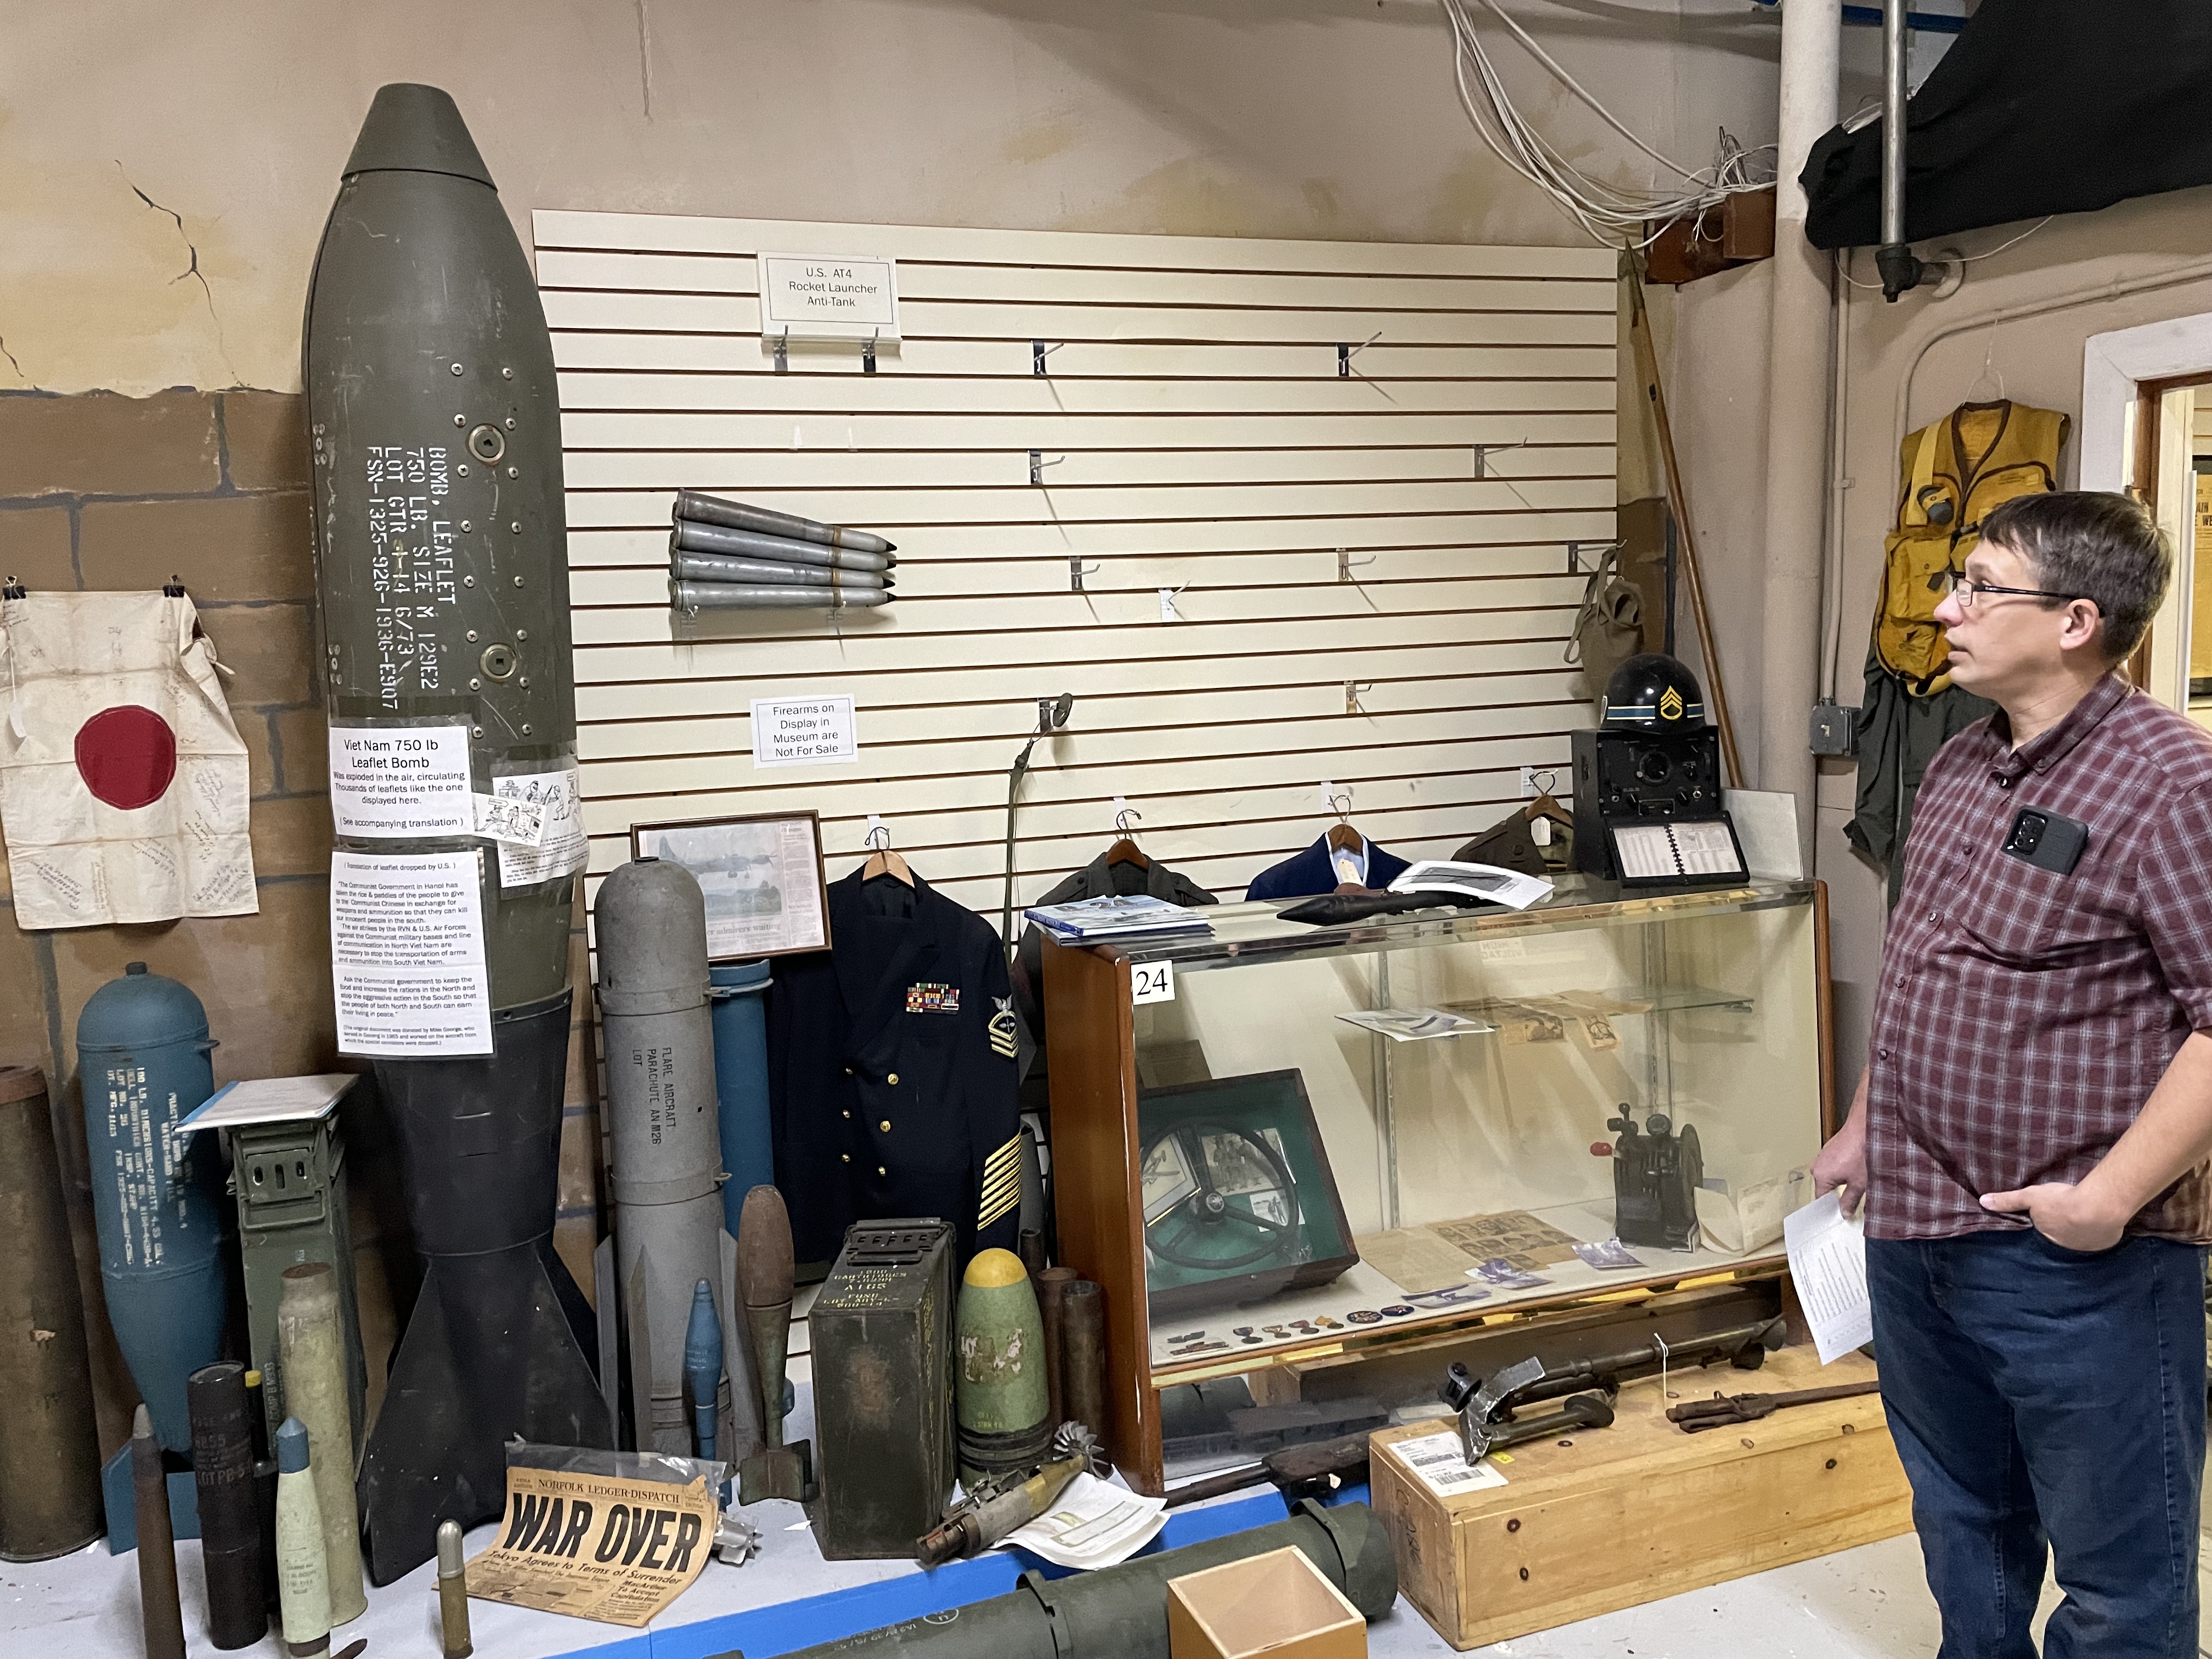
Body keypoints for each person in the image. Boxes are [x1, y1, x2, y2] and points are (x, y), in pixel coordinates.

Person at [1813, 489, 2212, 1659]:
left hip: (2074, 1262)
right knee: (1965, 1531)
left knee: (2121, 1584)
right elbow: (1923, 968)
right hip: (1916, 1234)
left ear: (2077, 621)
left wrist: (2104, 1204)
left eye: (1982, 587)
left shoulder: (2174, 786)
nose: (1947, 609)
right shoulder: (1957, 764)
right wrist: (1865, 1123)